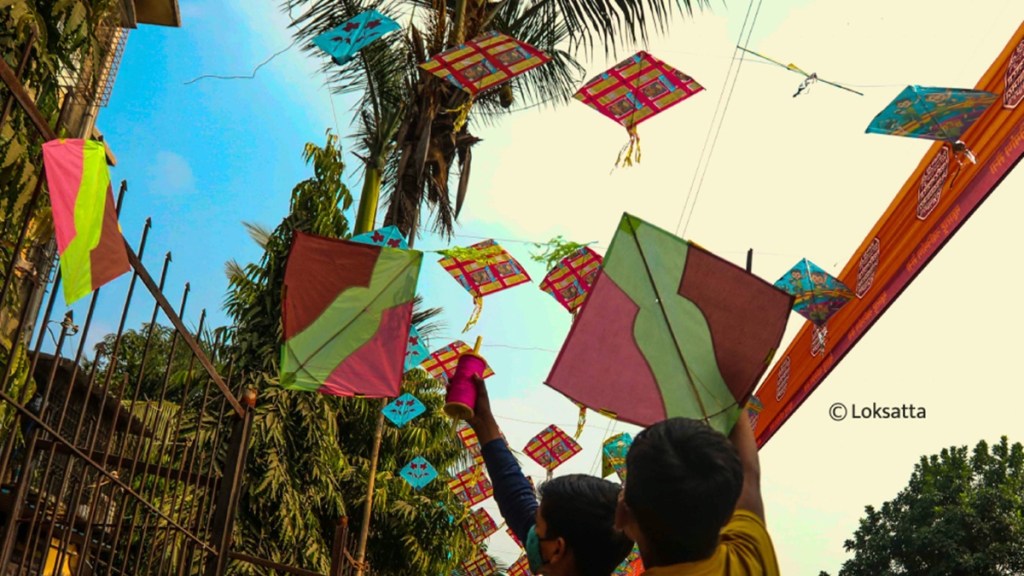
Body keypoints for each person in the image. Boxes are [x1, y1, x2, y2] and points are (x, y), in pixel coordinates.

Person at [466, 375, 633, 576]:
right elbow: (515, 498)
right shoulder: (570, 552)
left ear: (557, 549)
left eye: (538, 527)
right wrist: (483, 421)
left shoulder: (551, 550)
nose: (531, 533)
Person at [614, 412, 780, 575]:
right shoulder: (750, 558)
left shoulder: (751, 552)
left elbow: (749, 475)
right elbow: (749, 475)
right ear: (728, 516)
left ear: (622, 515)